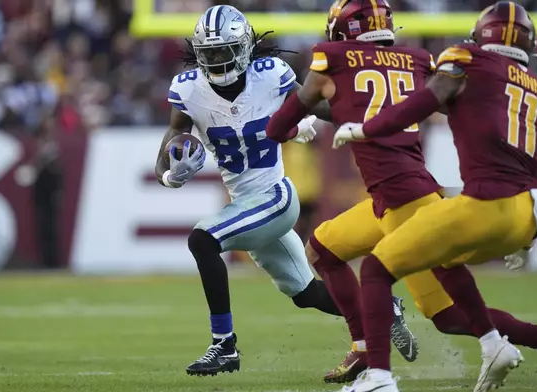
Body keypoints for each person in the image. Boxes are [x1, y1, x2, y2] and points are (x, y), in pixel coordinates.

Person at [268, 1, 537, 391]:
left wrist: (286, 124)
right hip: (392, 195)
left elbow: (287, 122)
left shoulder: (332, 58)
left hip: (408, 201)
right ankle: (364, 346)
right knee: (322, 249)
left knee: (448, 314)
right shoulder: (418, 60)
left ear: (343, 29)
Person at [153, 5, 413, 377]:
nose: (215, 60)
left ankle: (223, 345)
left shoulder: (271, 74)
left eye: (223, 51)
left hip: (276, 197)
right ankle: (384, 309)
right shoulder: (188, 88)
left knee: (203, 240)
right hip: (247, 204)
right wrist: (169, 176)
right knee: (307, 294)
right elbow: (169, 143)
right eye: (208, 53)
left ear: (242, 48)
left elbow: (318, 104)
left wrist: (353, 118)